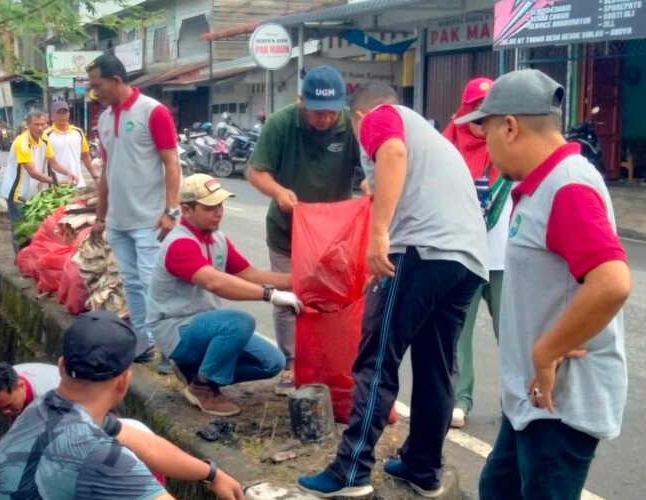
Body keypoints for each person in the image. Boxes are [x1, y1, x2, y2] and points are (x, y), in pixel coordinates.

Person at [298, 82, 488, 498]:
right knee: (436, 366)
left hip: (423, 249)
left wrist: (379, 235)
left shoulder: (381, 117)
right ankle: (423, 468)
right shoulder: (432, 138)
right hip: (467, 260)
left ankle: (351, 472)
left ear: (358, 117)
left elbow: (393, 154)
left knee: (377, 357)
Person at [454, 69, 631, 500]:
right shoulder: (542, 185)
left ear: (510, 126)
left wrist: (546, 351)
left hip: (560, 406)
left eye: (487, 130)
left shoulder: (567, 186)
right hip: (533, 403)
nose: (487, 148)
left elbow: (611, 283)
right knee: (497, 489)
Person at [0, 311, 245, 500]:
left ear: (61, 366)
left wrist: (211, 474)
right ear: (123, 382)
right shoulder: (98, 456)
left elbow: (145, 444)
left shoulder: (43, 408)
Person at [246, 66, 360, 395]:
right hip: (288, 230)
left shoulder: (351, 124)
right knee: (289, 299)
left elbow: (369, 168)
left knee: (334, 300)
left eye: (330, 113)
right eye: (316, 112)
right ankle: (291, 363)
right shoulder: (282, 123)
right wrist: (279, 192)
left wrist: (369, 185)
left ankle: (328, 363)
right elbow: (256, 173)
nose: (324, 119)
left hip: (333, 236)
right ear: (301, 102)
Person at [147, 174, 299, 416]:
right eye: (209, 207)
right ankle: (202, 387)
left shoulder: (217, 238)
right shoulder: (179, 244)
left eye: (220, 205)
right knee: (239, 322)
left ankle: (197, 372)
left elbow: (250, 273)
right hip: (176, 328)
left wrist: (300, 281)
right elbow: (214, 282)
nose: (218, 212)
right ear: (186, 210)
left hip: (204, 325)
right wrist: (271, 295)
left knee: (272, 362)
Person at [87, 54, 181, 363]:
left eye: (97, 85)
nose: (94, 92)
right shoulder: (103, 119)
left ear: (116, 80)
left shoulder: (152, 112)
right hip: (119, 221)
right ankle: (144, 342)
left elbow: (171, 162)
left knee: (154, 284)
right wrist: (101, 217)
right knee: (133, 286)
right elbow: (108, 172)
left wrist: (171, 209)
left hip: (150, 220)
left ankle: (170, 347)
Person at [442, 77, 514, 429]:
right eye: (474, 111)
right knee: (458, 333)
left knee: (513, 333)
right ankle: (460, 400)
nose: (481, 122)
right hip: (464, 258)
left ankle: (516, 400)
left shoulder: (511, 143)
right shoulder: (447, 146)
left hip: (506, 260)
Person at [0, 110, 77, 253]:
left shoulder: (45, 140)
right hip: (17, 192)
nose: (40, 128)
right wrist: (57, 182)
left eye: (43, 124)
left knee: (32, 227)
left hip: (32, 193)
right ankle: (21, 261)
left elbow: (53, 162)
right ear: (28, 125)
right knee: (20, 230)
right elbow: (33, 172)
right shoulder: (21, 143)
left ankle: (29, 259)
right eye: (36, 124)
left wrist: (68, 172)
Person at [46, 100, 99, 188]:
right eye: (59, 113)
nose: (62, 116)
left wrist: (95, 177)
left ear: (69, 115)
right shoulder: (46, 135)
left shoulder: (78, 132)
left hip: (78, 183)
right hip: (57, 185)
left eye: (64, 113)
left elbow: (86, 157)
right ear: (52, 116)